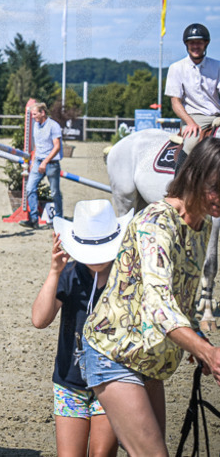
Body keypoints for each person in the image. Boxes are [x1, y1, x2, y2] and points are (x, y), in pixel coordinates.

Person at [81, 137, 220, 455]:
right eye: (215, 186)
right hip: (115, 353)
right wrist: (207, 350)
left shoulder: (203, 228)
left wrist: (193, 337)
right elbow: (159, 307)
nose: (219, 197)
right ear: (195, 176)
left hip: (149, 360)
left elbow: (180, 296)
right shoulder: (155, 222)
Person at [32, 200, 131, 457]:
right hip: (69, 382)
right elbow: (40, 319)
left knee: (101, 454)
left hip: (112, 382)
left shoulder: (126, 277)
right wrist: (54, 271)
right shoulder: (71, 273)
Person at [164, 23, 219, 171]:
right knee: (191, 143)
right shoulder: (176, 68)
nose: (196, 46)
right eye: (192, 43)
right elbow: (175, 102)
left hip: (216, 115)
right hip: (194, 117)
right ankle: (177, 186)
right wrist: (190, 123)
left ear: (206, 44)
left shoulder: (217, 66)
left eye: (199, 42)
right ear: (186, 44)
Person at [20, 102, 63, 229]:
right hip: (38, 161)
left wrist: (45, 162)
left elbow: (57, 146)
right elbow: (37, 145)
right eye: (32, 114)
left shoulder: (54, 126)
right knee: (30, 188)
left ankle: (59, 220)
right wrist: (34, 160)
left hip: (51, 163)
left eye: (35, 114)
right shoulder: (36, 126)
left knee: (55, 192)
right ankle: (34, 218)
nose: (33, 117)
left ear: (42, 113)